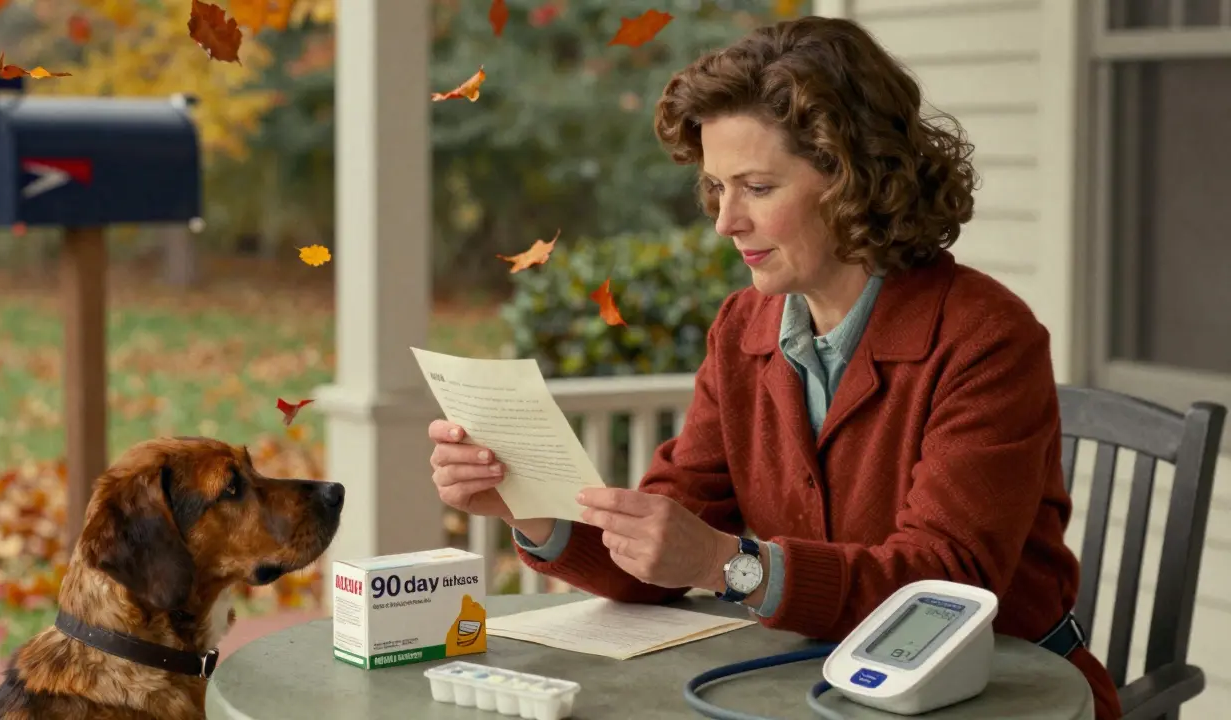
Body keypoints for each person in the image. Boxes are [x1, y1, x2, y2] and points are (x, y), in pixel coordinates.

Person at [427, 15, 1121, 720]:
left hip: (1002, 699)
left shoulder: (985, 337)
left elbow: (941, 589)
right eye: (717, 188)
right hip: (806, 691)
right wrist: (537, 512)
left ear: (854, 180)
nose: (725, 221)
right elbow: (673, 539)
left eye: (756, 187)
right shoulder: (742, 330)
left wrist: (727, 564)